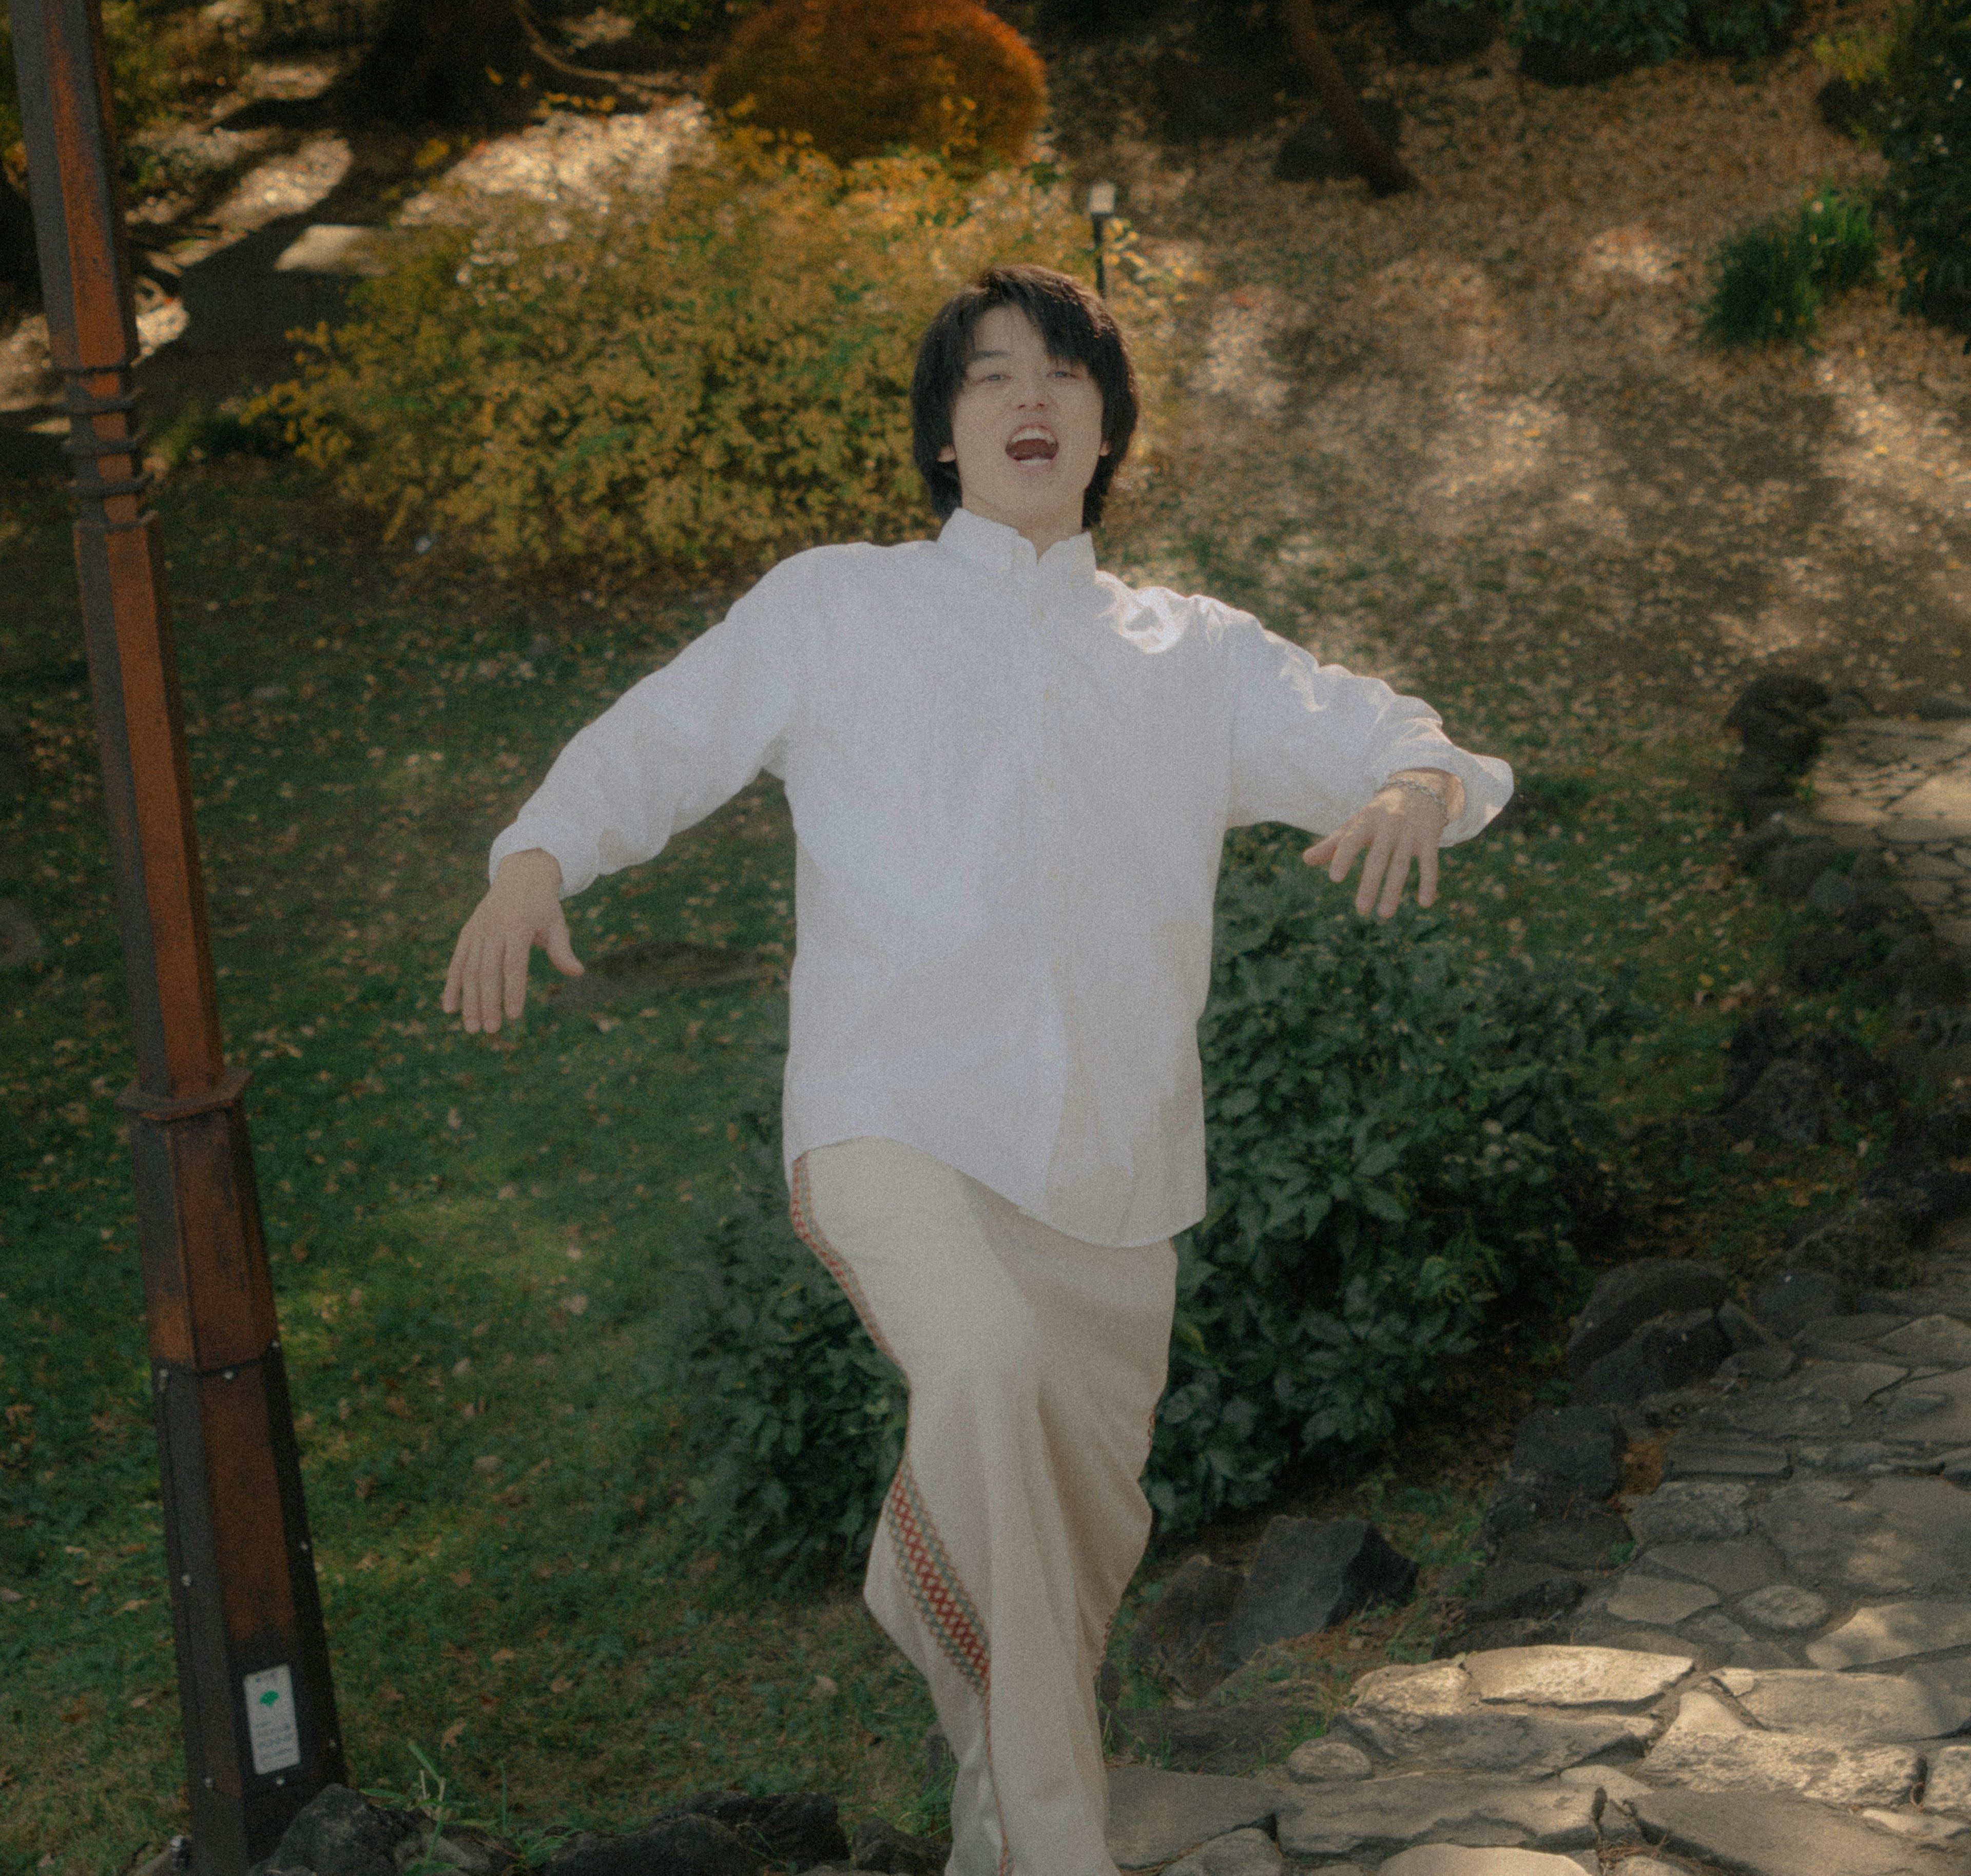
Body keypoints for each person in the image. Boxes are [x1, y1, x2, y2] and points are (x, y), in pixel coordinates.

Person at [442, 263, 1511, 1876]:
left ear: (1106, 428)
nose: (1030, 401)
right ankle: (1063, 1852)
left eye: (1065, 376)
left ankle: (988, 1809)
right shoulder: (835, 605)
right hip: (893, 1124)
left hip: (1118, 1167)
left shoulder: (1191, 653)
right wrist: (539, 857)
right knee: (991, 1371)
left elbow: (1392, 735)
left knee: (1062, 1564)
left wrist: (1421, 787)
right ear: (945, 436)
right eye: (992, 377)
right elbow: (660, 739)